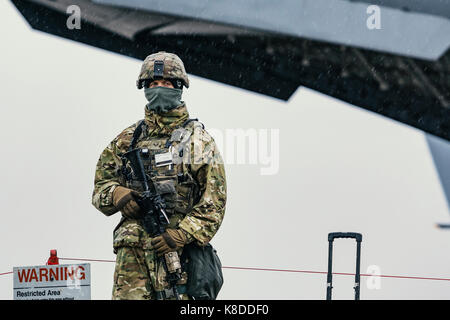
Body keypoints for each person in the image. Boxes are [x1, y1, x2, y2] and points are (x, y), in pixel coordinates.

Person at [91, 51, 227, 300]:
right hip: (131, 262)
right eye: (153, 84)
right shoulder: (127, 139)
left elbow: (213, 204)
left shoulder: (198, 141)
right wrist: (117, 194)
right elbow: (100, 188)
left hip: (177, 258)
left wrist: (182, 234)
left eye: (165, 83)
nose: (158, 89)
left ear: (178, 87)